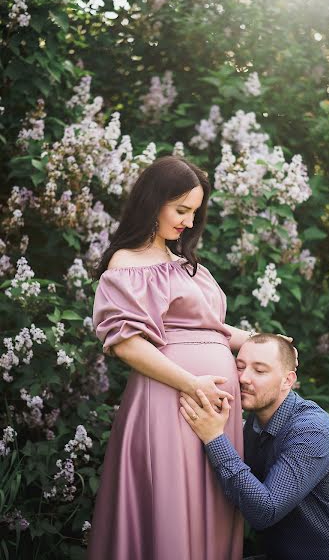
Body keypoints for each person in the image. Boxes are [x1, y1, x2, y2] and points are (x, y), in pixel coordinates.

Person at [88, 156, 253, 560]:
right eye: (181, 210)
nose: (189, 222)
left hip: (212, 408)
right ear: (153, 202)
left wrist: (265, 341)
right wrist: (192, 383)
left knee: (211, 506)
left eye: (195, 212)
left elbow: (212, 329)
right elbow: (126, 343)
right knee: (171, 514)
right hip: (171, 402)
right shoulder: (127, 264)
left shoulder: (185, 266)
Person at [180, 333, 329, 560]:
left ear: (288, 380)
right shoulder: (253, 425)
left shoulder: (311, 432)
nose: (243, 378)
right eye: (239, 367)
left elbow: (265, 510)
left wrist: (215, 438)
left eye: (260, 370)